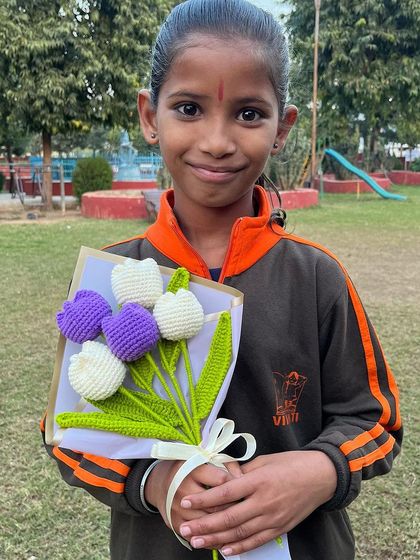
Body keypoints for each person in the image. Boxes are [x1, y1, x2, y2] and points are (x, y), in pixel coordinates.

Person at [41, 1, 402, 558]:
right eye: (188, 108)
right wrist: (153, 482)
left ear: (283, 128)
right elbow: (67, 432)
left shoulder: (316, 277)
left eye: (249, 114)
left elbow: (374, 419)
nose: (216, 141)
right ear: (148, 115)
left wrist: (318, 469)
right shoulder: (107, 283)